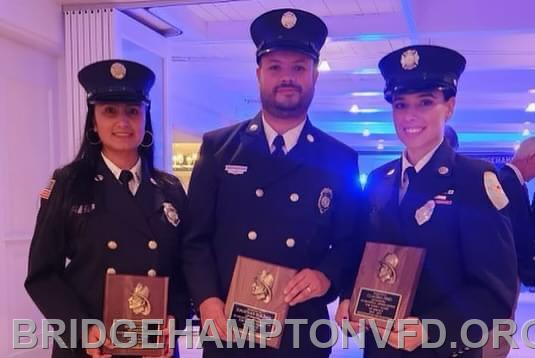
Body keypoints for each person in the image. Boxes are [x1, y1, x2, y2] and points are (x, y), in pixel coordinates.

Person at [181, 8, 364, 358]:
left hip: (302, 332)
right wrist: (205, 300)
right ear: (258, 73)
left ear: (314, 75)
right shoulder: (219, 149)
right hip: (229, 330)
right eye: (275, 67)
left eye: (299, 67)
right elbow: (195, 239)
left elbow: (349, 241)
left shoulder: (339, 159)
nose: (287, 78)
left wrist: (325, 276)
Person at [335, 45, 518, 358]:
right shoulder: (379, 179)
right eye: (400, 104)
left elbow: (494, 293)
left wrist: (432, 328)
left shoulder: (473, 180)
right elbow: (360, 250)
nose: (410, 116)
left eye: (425, 102)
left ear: (449, 106)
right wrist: (347, 297)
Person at [25, 59, 189, 358]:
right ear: (94, 121)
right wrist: (81, 328)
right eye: (109, 111)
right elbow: (42, 274)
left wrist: (174, 320)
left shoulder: (170, 189)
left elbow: (185, 269)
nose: (122, 122)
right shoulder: (68, 183)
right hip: (90, 346)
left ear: (145, 118)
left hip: (154, 346)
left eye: (132, 111)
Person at [482, 136, 535, 357]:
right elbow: (515, 234)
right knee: (498, 331)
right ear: (532, 158)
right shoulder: (507, 182)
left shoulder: (512, 182)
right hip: (501, 272)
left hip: (503, 271)